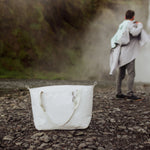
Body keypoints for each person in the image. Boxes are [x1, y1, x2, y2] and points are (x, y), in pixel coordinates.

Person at [110, 10, 150, 100]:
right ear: (133, 17)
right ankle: (130, 93)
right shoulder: (130, 24)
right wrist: (140, 25)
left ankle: (118, 92)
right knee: (131, 73)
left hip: (120, 52)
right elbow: (135, 32)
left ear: (125, 17)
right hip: (129, 53)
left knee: (120, 74)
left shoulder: (122, 25)